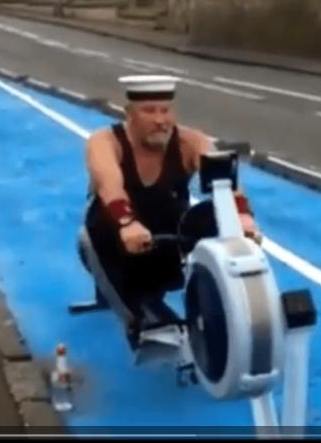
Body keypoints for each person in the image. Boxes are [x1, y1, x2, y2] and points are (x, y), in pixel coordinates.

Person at [81, 75, 261, 336]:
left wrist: (243, 217)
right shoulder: (105, 141)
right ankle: (129, 308)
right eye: (149, 111)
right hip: (116, 235)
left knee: (215, 215)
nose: (160, 120)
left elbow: (225, 182)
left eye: (165, 110)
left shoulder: (189, 142)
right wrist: (126, 223)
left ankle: (219, 302)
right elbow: (109, 185)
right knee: (132, 297)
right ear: (130, 114)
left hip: (167, 236)